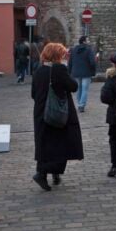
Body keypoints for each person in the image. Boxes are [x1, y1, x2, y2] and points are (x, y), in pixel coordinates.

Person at [31, 42, 84, 191]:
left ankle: (51, 173)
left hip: (42, 113)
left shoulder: (39, 70)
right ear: (57, 56)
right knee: (61, 143)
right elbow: (73, 86)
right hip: (58, 114)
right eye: (62, 54)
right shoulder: (59, 70)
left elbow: (33, 94)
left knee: (45, 144)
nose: (64, 56)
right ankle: (43, 173)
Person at [67, 36, 97, 112]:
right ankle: (81, 105)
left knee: (79, 89)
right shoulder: (89, 50)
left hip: (76, 72)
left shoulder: (74, 50)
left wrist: (69, 71)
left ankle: (79, 103)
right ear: (84, 41)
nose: (89, 41)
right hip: (86, 72)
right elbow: (92, 62)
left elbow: (70, 62)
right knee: (84, 89)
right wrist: (93, 70)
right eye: (88, 40)